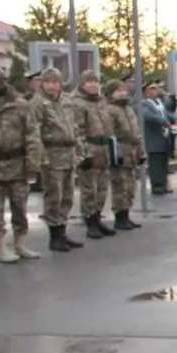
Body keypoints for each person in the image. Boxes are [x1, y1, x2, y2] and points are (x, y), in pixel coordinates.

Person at [0, 66, 44, 263]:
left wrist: (33, 163)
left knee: (20, 207)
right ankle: (1, 247)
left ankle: (20, 244)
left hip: (17, 164)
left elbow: (32, 134)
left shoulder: (20, 105)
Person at [32, 67, 83, 252]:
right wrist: (41, 156)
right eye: (49, 82)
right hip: (51, 155)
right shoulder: (38, 103)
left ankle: (62, 232)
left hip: (68, 154)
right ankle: (54, 236)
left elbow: (74, 127)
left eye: (56, 82)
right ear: (42, 84)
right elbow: (34, 132)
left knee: (67, 196)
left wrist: (79, 149)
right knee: (54, 196)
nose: (53, 86)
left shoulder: (66, 101)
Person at [68, 69, 115, 239]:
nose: (93, 85)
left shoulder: (101, 101)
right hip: (89, 148)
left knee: (102, 188)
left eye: (96, 81)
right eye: (89, 81)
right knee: (89, 189)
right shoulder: (77, 103)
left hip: (103, 148)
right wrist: (83, 155)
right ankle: (89, 221)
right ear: (82, 84)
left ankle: (97, 217)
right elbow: (77, 130)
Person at [102, 79, 144, 230]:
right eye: (117, 91)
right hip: (119, 150)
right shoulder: (110, 110)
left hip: (131, 151)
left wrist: (140, 150)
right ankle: (119, 217)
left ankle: (126, 214)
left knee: (130, 186)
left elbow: (136, 131)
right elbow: (110, 134)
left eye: (123, 90)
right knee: (120, 185)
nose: (122, 93)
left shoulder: (128, 109)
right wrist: (115, 154)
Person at [140, 82, 175, 195]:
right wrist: (164, 121)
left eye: (156, 88)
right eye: (152, 88)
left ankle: (163, 183)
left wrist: (173, 119)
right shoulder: (144, 104)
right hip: (153, 139)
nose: (155, 90)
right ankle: (157, 185)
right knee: (155, 163)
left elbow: (167, 113)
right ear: (146, 91)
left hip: (164, 138)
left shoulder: (160, 103)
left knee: (163, 162)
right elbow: (148, 116)